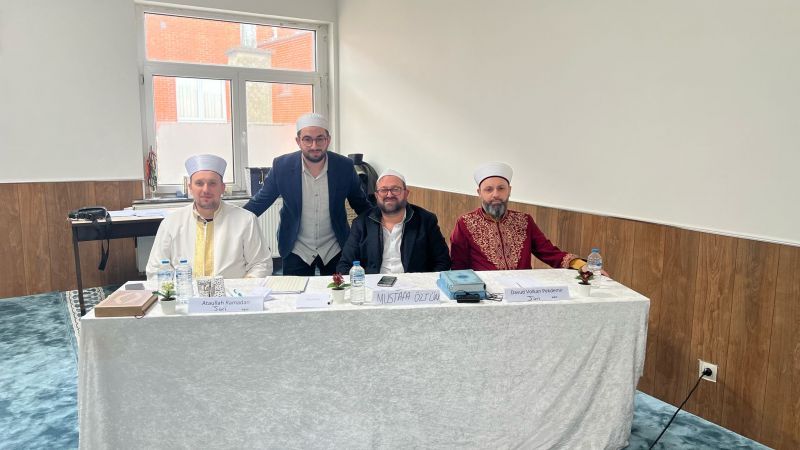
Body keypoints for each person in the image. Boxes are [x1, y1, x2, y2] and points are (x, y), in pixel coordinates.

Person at [243, 113, 370, 276]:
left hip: (335, 247)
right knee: (295, 291)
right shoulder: (282, 166)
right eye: (307, 139)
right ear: (298, 141)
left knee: (338, 291)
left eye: (320, 139)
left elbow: (361, 204)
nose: (314, 145)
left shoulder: (344, 166)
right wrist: (231, 219)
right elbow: (260, 201)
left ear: (328, 140)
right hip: (296, 248)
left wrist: (385, 220)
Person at [146, 154, 272, 280]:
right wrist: (177, 289)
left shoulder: (246, 220)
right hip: (186, 291)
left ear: (222, 188)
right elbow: (156, 268)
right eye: (199, 183)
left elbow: (261, 264)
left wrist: (243, 287)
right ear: (190, 188)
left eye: (212, 183)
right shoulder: (171, 223)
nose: (206, 190)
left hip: (232, 292)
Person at [450, 162, 587, 272]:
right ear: (479, 192)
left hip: (522, 291)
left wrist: (578, 264)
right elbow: (458, 266)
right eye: (489, 189)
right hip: (486, 292)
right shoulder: (465, 223)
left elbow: (548, 251)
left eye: (501, 188)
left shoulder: (524, 221)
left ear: (509, 190)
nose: (495, 194)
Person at [337, 169, 451, 275]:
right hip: (372, 286)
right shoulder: (361, 223)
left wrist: (426, 285)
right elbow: (345, 265)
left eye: (396, 189)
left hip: (414, 286)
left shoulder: (426, 221)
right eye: (383, 190)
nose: (389, 194)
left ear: (406, 193)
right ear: (376, 195)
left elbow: (442, 261)